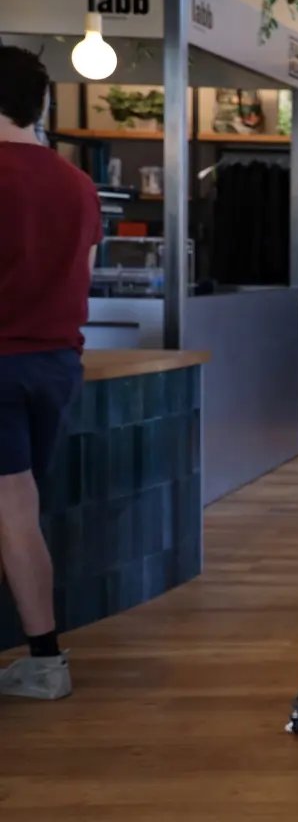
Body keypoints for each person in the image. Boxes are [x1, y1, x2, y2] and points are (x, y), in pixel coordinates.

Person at [0, 45, 103, 701]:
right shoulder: (78, 184)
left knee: (14, 511)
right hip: (54, 365)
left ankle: (44, 661)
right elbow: (83, 283)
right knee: (19, 507)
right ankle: (40, 656)